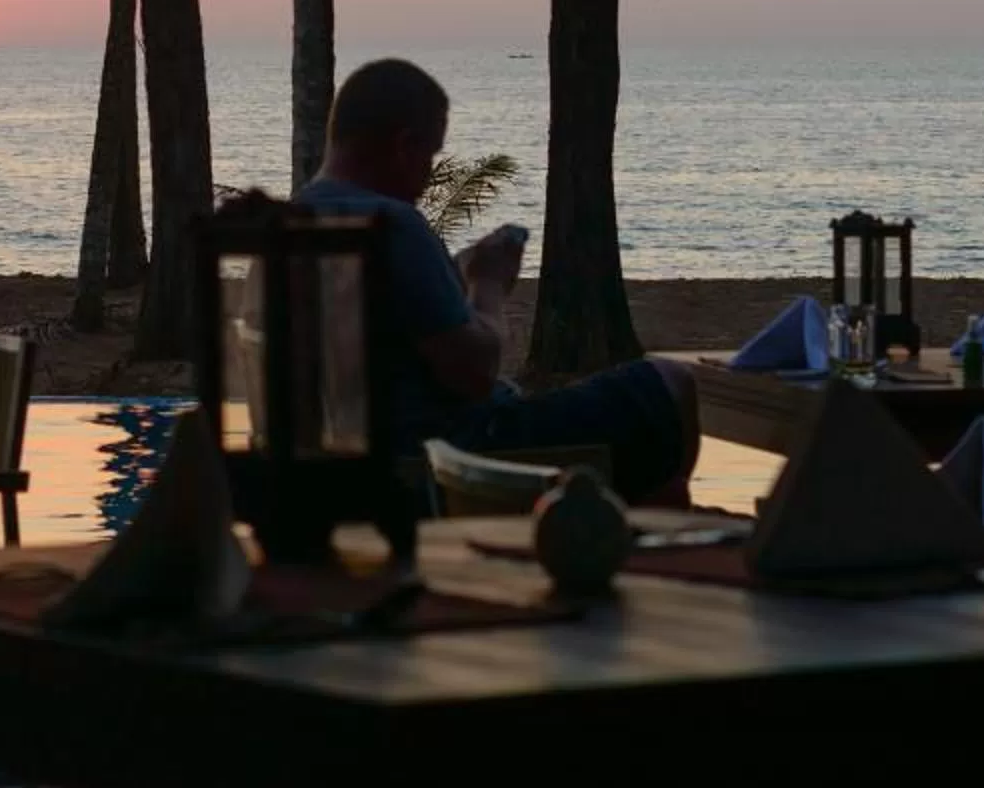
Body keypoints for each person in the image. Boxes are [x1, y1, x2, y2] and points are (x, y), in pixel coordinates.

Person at [296, 57, 702, 506]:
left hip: (357, 462)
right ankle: (664, 529)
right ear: (404, 146)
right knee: (671, 381)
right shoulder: (391, 225)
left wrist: (451, 277)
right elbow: (476, 372)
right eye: (430, 155)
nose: (428, 173)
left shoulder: (297, 221)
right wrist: (487, 284)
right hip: (452, 457)